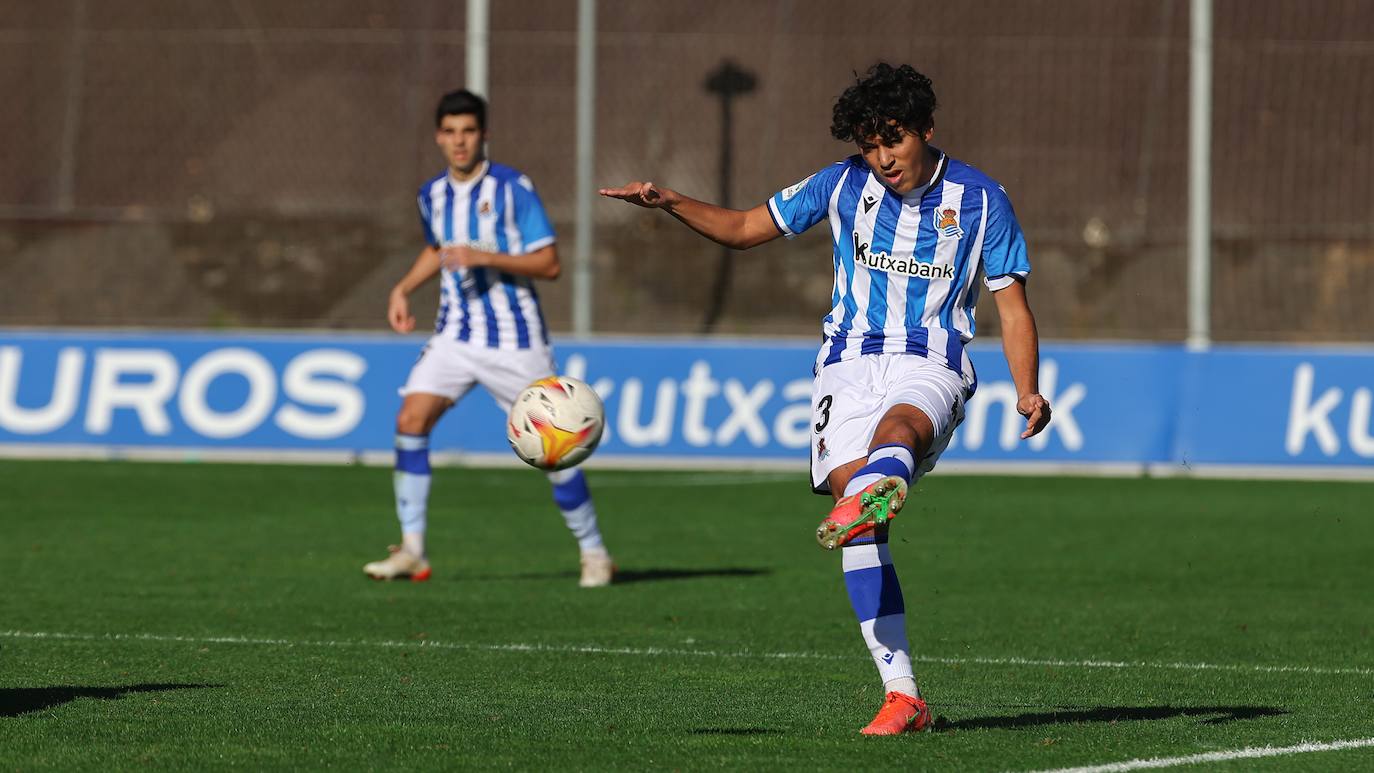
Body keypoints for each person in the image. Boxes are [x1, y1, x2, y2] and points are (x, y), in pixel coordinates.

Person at [601, 63, 1051, 733]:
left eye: (892, 140)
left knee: (900, 428)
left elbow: (1011, 305)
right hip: (843, 367)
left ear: (926, 129)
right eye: (870, 144)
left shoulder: (982, 199)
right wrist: (670, 203)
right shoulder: (841, 184)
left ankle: (881, 481)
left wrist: (1027, 388)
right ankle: (904, 695)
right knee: (859, 511)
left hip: (931, 359)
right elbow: (747, 227)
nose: (882, 158)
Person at [364, 89, 614, 588]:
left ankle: (594, 553)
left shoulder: (512, 189)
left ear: (484, 135)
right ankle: (412, 548)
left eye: (469, 132)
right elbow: (438, 249)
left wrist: (485, 256)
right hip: (454, 336)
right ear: (439, 137)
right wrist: (403, 287)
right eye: (451, 132)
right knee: (410, 419)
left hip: (515, 342)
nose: (460, 142)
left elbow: (550, 263)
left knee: (556, 448)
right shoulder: (431, 194)